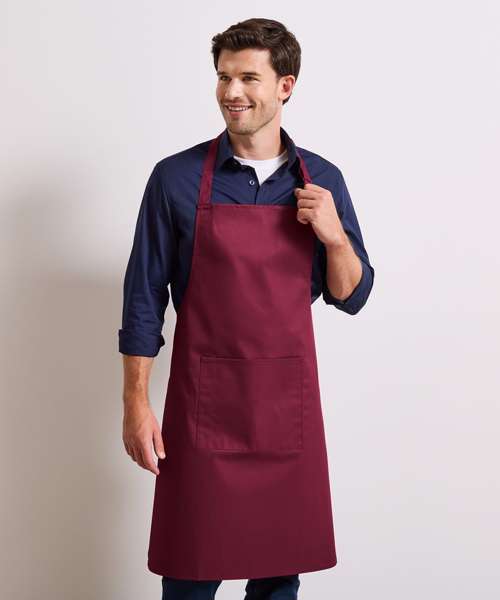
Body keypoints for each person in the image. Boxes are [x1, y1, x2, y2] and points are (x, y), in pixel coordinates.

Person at [119, 17, 375, 600]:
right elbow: (142, 300)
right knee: (189, 575)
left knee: (279, 580)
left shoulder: (321, 181)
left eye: (248, 78)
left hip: (286, 411)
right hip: (201, 409)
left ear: (285, 86)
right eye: (223, 77)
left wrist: (335, 237)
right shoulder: (176, 178)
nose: (231, 92)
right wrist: (135, 402)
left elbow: (353, 295)